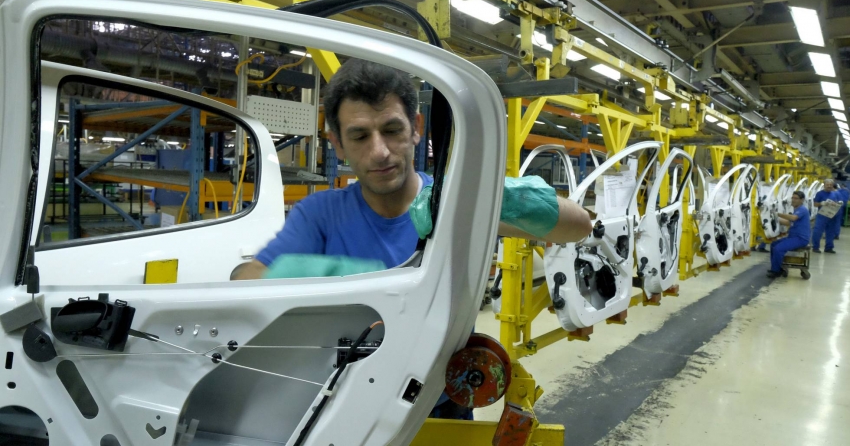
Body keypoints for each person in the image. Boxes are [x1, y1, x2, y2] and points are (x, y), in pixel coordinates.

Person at [231, 59, 593, 418]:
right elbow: (244, 280)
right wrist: (335, 280)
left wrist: (494, 197)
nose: (379, 151)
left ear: (416, 128)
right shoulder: (320, 214)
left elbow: (578, 226)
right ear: (337, 144)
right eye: (360, 136)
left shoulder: (454, 205)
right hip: (345, 410)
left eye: (392, 130)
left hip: (440, 408)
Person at [767, 190, 810, 278]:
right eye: (792, 198)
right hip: (792, 237)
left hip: (800, 238)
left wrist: (777, 214)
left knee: (778, 249)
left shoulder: (802, 209)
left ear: (802, 200)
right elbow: (788, 222)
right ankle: (777, 267)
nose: (793, 200)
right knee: (773, 245)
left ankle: (776, 271)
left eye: (796, 198)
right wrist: (772, 218)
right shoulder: (796, 210)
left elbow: (793, 218)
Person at [812, 179, 842, 253]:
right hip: (822, 216)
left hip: (832, 216)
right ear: (824, 185)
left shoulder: (835, 194)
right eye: (827, 185)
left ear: (832, 185)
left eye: (830, 185)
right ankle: (815, 247)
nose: (829, 186)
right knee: (817, 231)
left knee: (830, 232)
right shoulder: (820, 194)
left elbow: (839, 202)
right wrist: (821, 203)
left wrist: (838, 203)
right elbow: (815, 204)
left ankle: (829, 248)